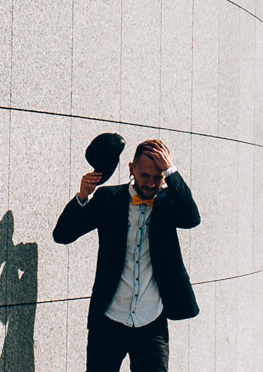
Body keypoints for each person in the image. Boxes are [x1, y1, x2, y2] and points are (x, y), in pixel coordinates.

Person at [54, 138, 201, 372]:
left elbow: (192, 218)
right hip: (109, 320)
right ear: (131, 168)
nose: (151, 183)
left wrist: (171, 171)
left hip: (151, 323)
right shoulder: (108, 199)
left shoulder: (169, 203)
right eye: (144, 175)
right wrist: (82, 197)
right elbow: (62, 235)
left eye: (158, 176)